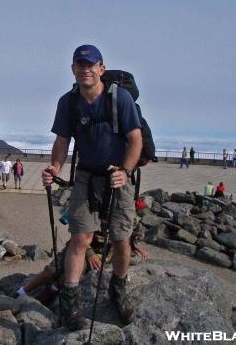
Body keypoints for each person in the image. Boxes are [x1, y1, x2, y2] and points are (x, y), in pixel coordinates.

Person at [42, 44, 143, 328]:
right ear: (73, 69)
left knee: (122, 239)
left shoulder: (120, 99)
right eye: (80, 65)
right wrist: (55, 168)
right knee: (80, 239)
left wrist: (125, 171)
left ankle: (117, 291)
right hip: (86, 176)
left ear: (101, 68)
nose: (85, 69)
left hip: (116, 176)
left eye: (91, 65)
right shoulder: (68, 102)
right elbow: (63, 141)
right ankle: (71, 306)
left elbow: (135, 139)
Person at [15, 220, 148, 306]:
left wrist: (134, 247)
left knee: (72, 276)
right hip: (79, 248)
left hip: (101, 255)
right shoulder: (95, 205)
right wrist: (89, 254)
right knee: (52, 270)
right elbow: (79, 230)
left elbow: (127, 233)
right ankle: (22, 291)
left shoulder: (123, 210)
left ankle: (49, 293)